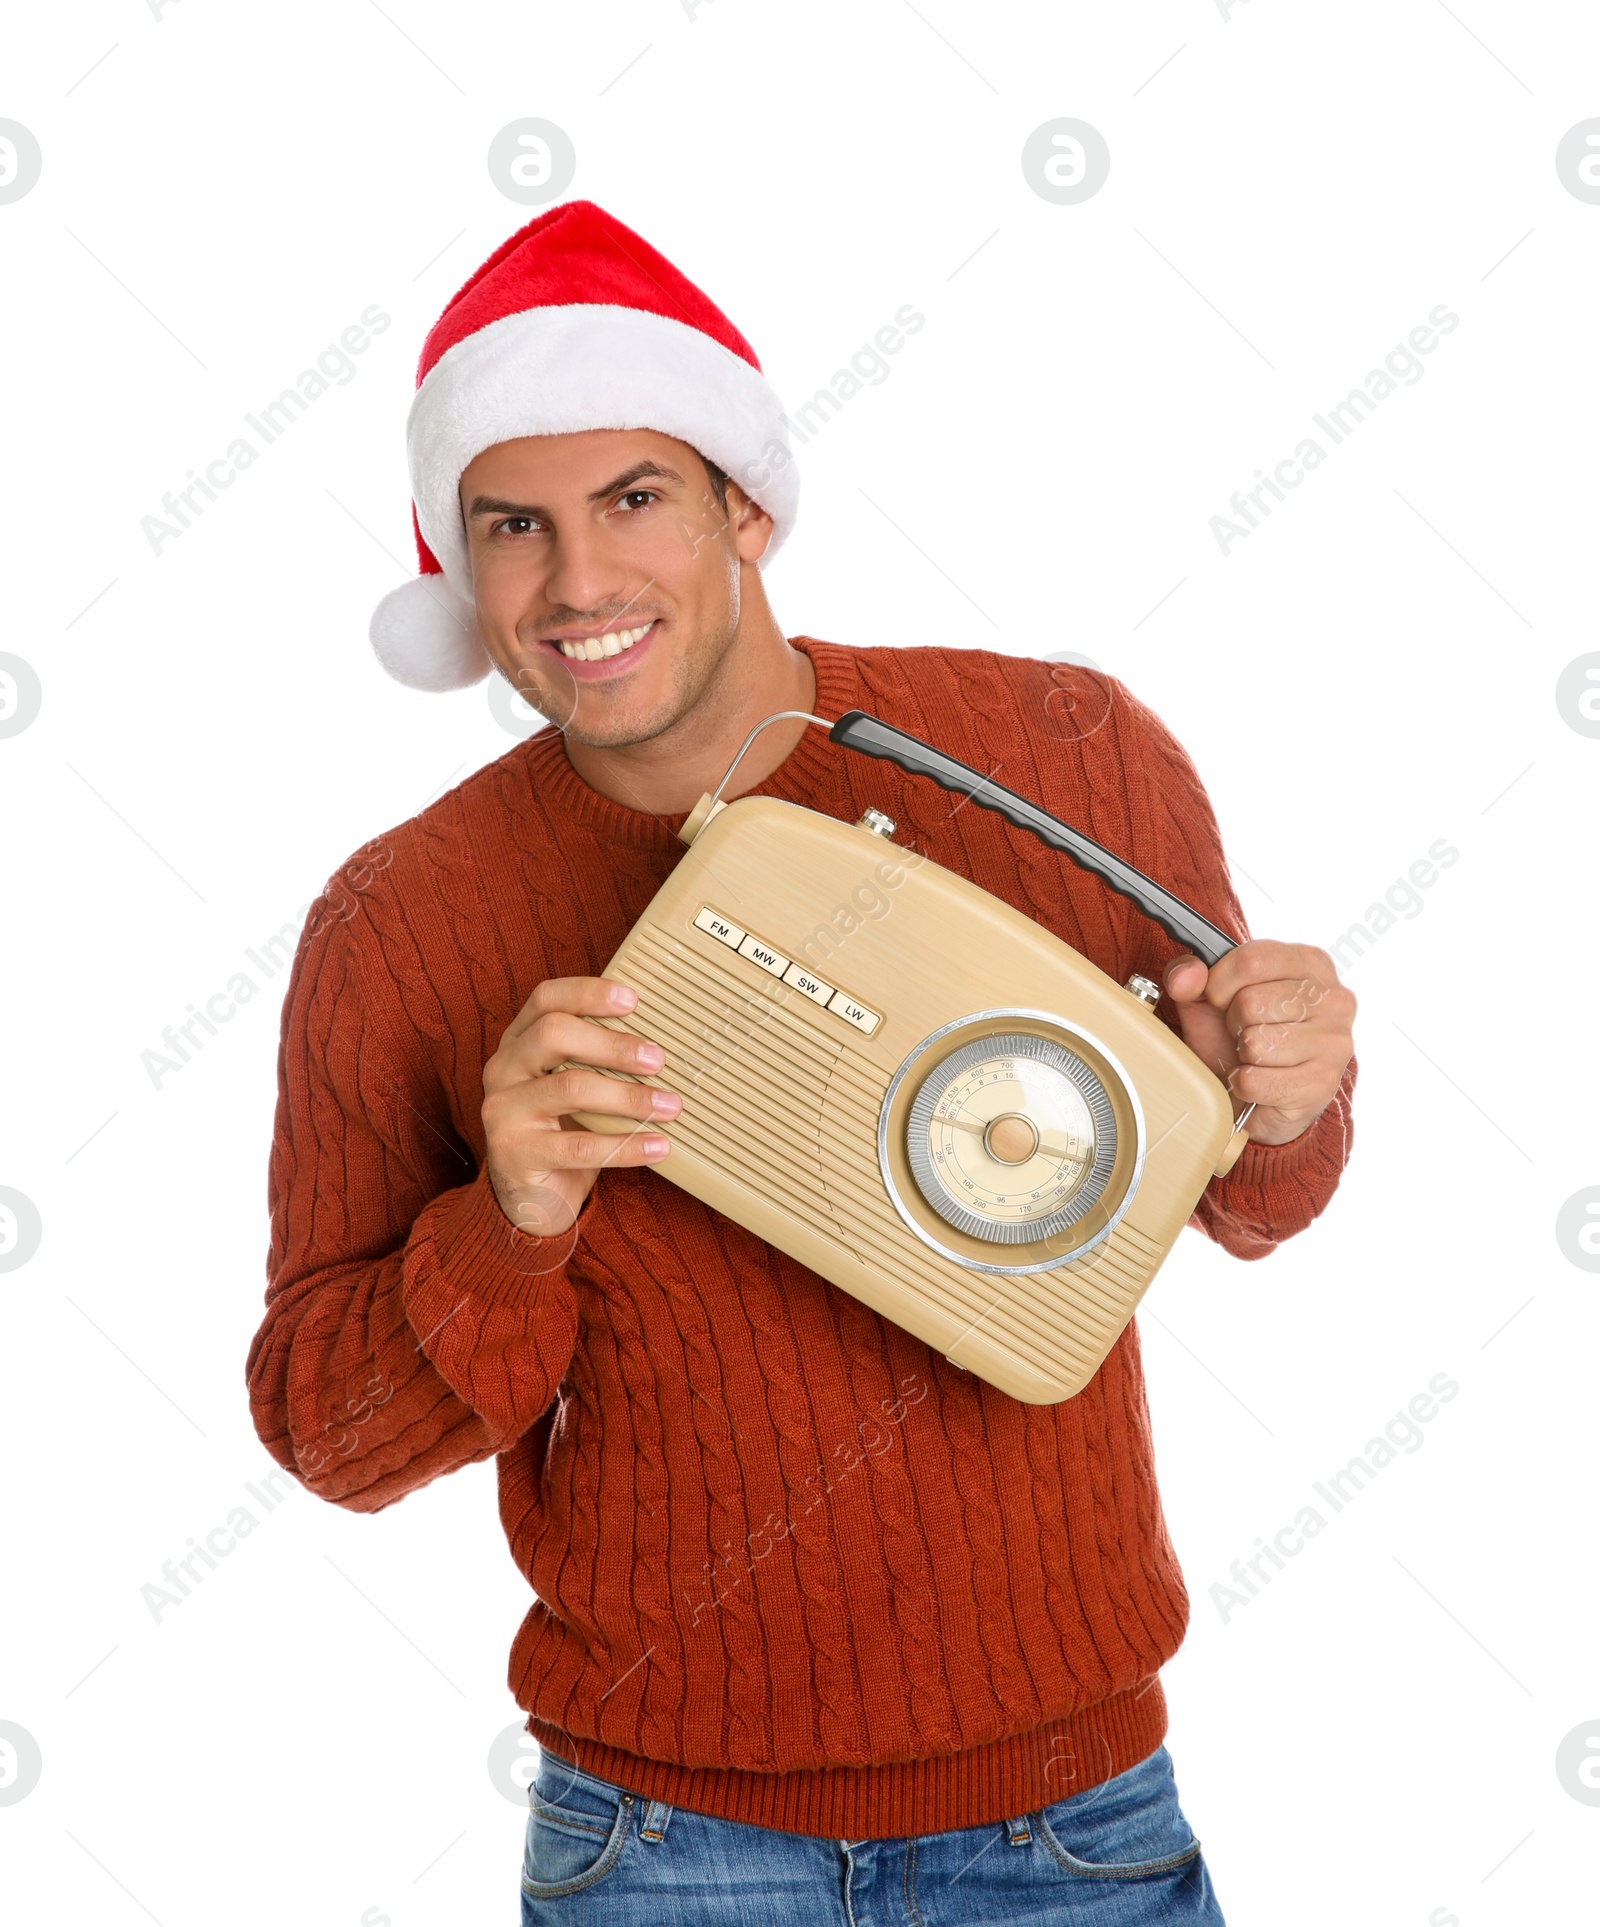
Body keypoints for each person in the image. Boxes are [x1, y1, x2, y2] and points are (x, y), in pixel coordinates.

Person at [246, 200, 1357, 1924]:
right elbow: (331, 1430)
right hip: (661, 1848)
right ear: (461, 577)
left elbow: (1255, 1198)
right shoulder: (401, 922)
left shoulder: (1064, 750)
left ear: (745, 505)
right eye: (511, 528)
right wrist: (509, 1217)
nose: (580, 582)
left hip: (1072, 1820)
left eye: (634, 498)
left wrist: (1283, 1089)